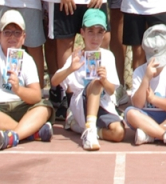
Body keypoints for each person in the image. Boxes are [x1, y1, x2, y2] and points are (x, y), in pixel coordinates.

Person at [0, 7, 54, 149]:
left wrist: (19, 89)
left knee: (45, 107)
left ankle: (14, 136)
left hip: (17, 108)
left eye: (17, 33)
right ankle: (30, 132)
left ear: (23, 37)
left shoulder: (27, 59)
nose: (12, 37)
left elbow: (36, 96)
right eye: (7, 32)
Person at [50, 8, 124, 150]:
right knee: (94, 83)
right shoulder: (77, 56)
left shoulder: (108, 56)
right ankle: (89, 130)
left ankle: (83, 128)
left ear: (104, 35)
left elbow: (110, 90)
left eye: (99, 32)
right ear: (82, 33)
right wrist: (70, 69)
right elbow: (54, 81)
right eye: (90, 31)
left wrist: (104, 80)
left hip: (103, 104)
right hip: (81, 105)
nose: (95, 38)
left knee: (118, 132)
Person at [124, 24, 166, 146]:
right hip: (145, 116)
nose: (156, 63)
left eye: (159, 59)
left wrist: (154, 99)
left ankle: (150, 135)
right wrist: (146, 79)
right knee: (130, 113)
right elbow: (137, 104)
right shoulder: (139, 72)